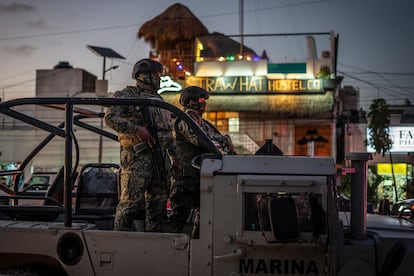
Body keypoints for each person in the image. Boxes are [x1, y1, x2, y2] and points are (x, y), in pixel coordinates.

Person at [104, 58, 176, 232]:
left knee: (158, 205)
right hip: (138, 160)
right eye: (156, 74)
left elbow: (168, 133)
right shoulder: (128, 94)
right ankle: (117, 243)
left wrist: (175, 157)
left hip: (161, 160)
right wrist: (137, 130)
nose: (159, 78)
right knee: (130, 205)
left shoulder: (159, 100)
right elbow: (110, 117)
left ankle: (152, 245)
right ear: (143, 75)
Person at [169, 86, 235, 238]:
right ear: (190, 101)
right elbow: (202, 140)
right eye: (201, 100)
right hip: (185, 178)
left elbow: (216, 140)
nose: (203, 103)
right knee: (178, 218)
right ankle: (169, 252)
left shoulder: (203, 123)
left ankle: (197, 248)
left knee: (204, 215)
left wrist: (224, 141)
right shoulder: (185, 119)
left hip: (201, 175)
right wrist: (222, 140)